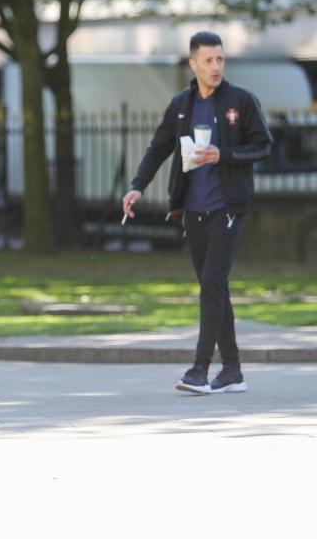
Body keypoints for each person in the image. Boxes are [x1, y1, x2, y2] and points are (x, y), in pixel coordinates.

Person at [122, 31, 273, 395]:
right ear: (193, 64)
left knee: (212, 285)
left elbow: (263, 145)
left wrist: (226, 155)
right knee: (214, 287)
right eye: (208, 60)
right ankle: (233, 371)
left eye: (220, 59)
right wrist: (137, 186)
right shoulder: (181, 105)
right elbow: (158, 148)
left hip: (229, 207)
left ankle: (199, 371)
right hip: (192, 210)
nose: (216, 66)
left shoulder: (241, 100)